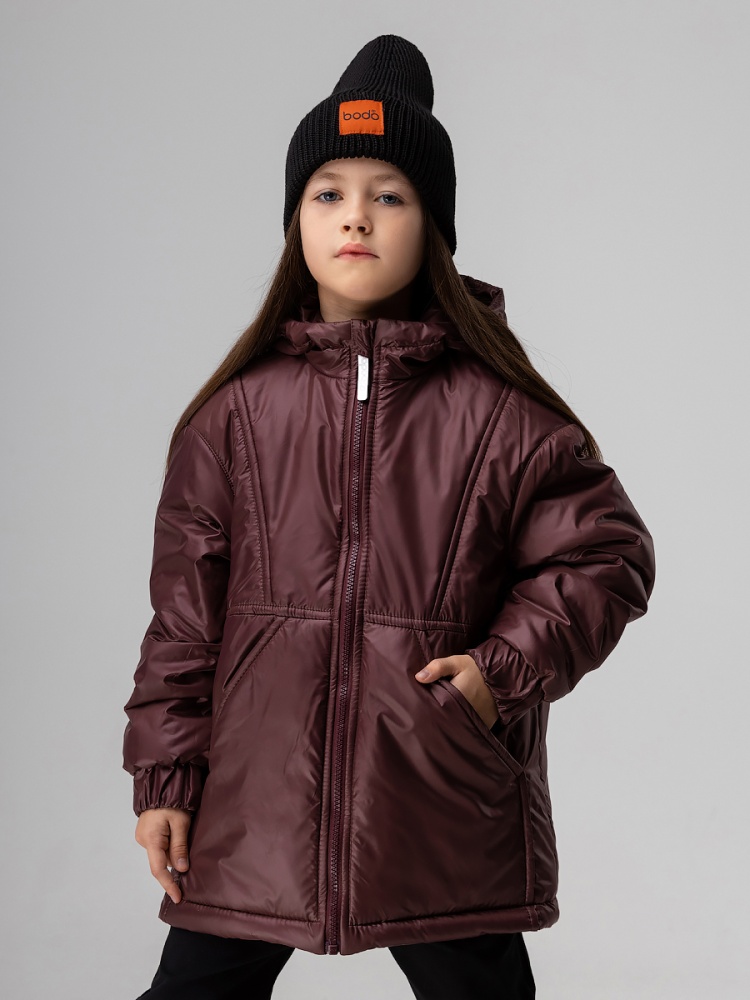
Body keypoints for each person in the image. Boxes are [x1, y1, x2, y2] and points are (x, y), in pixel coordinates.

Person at [122, 34, 656, 1000]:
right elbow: (184, 622)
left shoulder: (499, 413)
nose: (356, 216)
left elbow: (604, 555)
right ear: (295, 220)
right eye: (328, 192)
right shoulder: (233, 417)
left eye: (390, 195)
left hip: (439, 792)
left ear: (434, 226)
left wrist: (495, 678)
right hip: (255, 797)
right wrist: (167, 779)